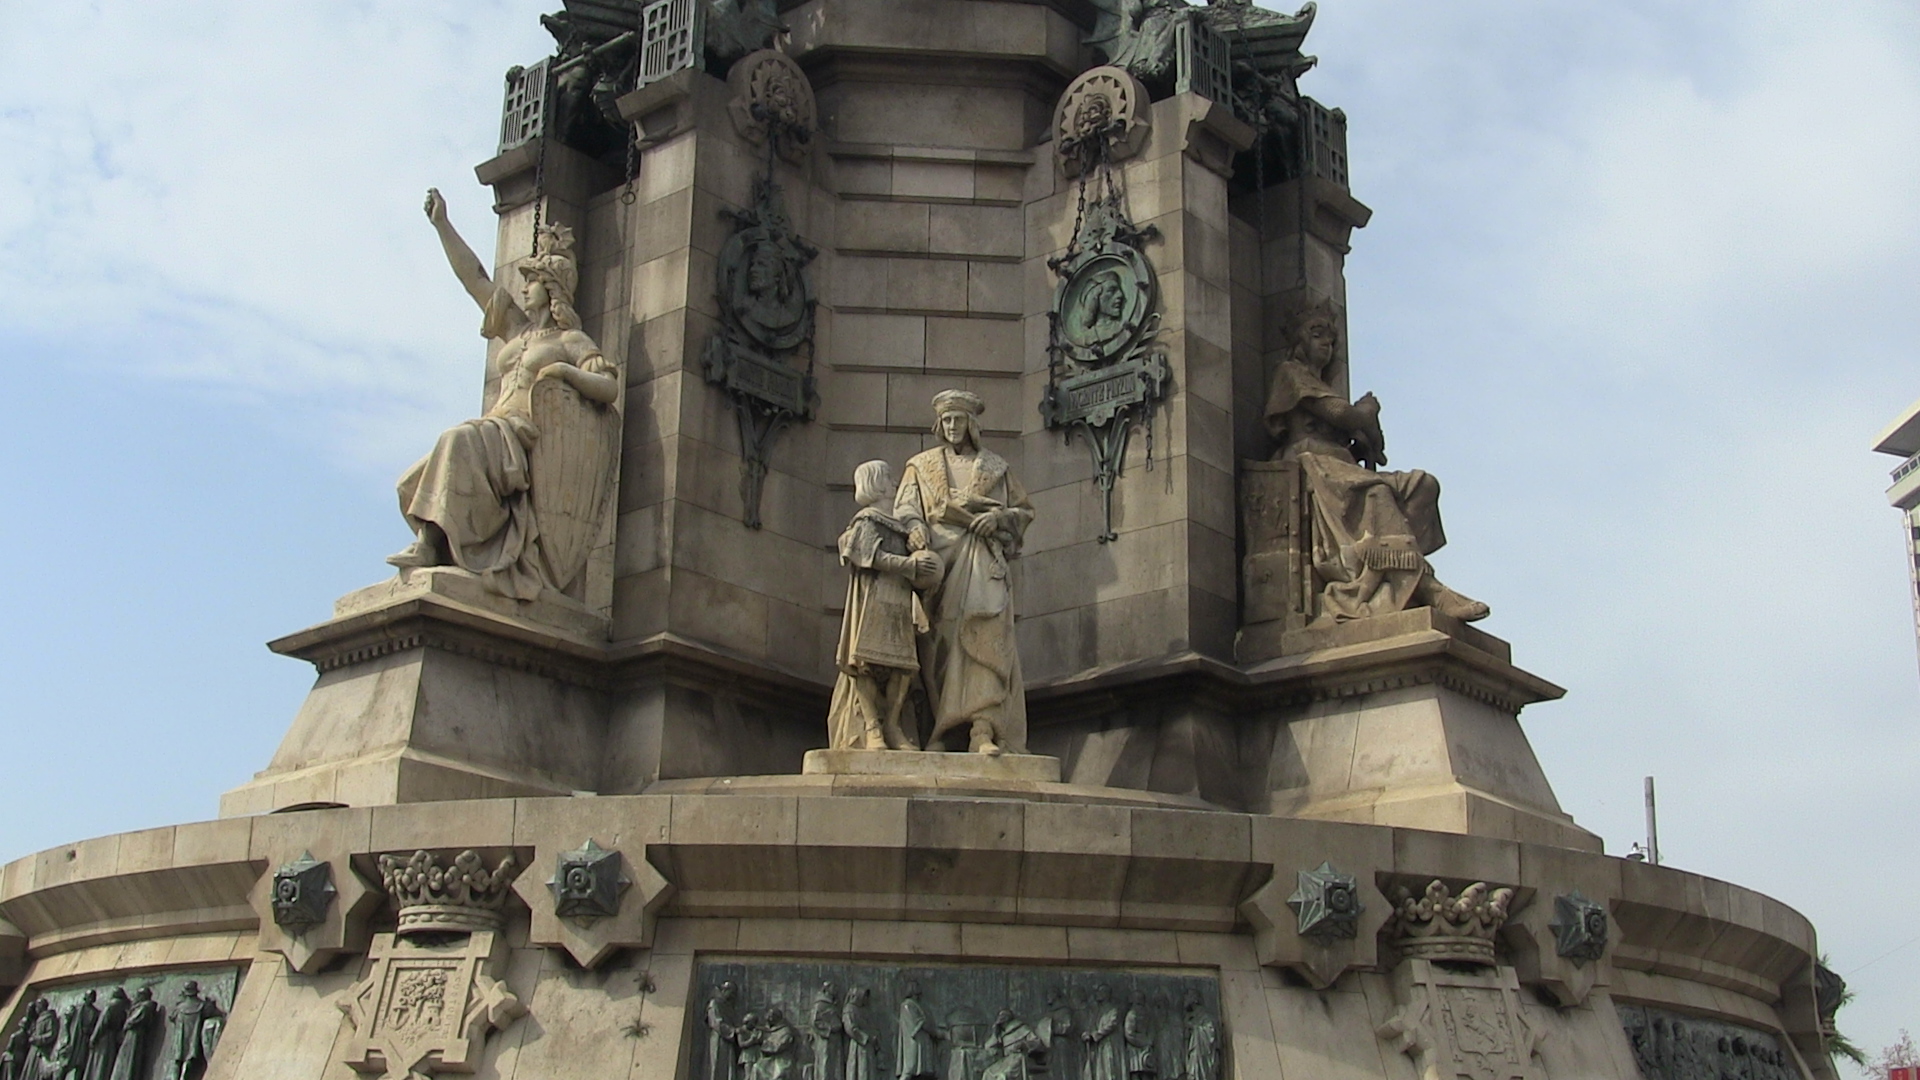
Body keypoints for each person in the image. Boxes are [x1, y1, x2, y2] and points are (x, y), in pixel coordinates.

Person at [387, 190, 621, 602]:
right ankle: (439, 544)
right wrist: (443, 225)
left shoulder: (571, 340)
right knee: (420, 473)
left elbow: (607, 387)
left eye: (531, 282)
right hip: (493, 430)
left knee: (455, 440)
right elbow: (474, 278)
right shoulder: (515, 329)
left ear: (551, 291)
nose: (524, 288)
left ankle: (429, 544)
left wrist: (565, 371)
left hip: (522, 435)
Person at [1261, 304, 1487, 625]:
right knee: (1376, 491)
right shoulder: (1291, 373)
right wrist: (1367, 411)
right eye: (1316, 335)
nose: (1326, 343)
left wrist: (1366, 434)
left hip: (1341, 465)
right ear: (1299, 340)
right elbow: (1343, 415)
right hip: (1312, 464)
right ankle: (1426, 588)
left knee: (1422, 484)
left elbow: (1357, 431)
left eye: (1331, 338)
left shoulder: (1322, 382)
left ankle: (1394, 582)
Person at [895, 391, 1035, 756]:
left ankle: (982, 730)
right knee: (940, 644)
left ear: (971, 424)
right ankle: (939, 729)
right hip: (940, 568)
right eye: (947, 421)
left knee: (987, 636)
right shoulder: (920, 466)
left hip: (984, 563)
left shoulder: (996, 467)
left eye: (959, 420)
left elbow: (1022, 512)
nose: (953, 427)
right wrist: (914, 528)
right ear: (938, 425)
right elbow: (906, 509)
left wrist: (998, 518)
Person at [828, 461, 943, 751]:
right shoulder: (867, 520)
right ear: (877, 484)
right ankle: (872, 727)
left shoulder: (899, 525)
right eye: (889, 477)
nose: (894, 482)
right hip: (872, 600)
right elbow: (869, 555)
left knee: (902, 667)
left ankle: (892, 725)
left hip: (899, 604)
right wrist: (909, 565)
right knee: (865, 664)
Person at [107, 989, 158, 1080]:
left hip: (134, 1036)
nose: (135, 997)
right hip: (131, 1035)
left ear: (143, 996)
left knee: (130, 1057)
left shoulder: (145, 1007)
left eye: (138, 995)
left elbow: (131, 1021)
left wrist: (125, 1026)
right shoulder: (140, 1006)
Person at [893, 982, 940, 1080]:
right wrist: (934, 1031)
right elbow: (918, 1022)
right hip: (913, 1041)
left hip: (923, 1040)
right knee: (911, 1066)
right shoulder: (907, 1005)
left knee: (923, 1069)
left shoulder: (919, 1005)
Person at [81, 990, 128, 1080]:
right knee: (106, 1064)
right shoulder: (123, 1009)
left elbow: (102, 1023)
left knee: (98, 1063)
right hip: (112, 1039)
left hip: (103, 1039)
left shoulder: (110, 1006)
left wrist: (94, 1038)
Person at [1082, 985, 1125, 1080]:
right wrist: (1087, 1033)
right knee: (1101, 1069)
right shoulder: (1097, 1011)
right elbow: (1092, 1024)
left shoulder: (1113, 1009)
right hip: (1100, 1045)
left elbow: (1112, 1024)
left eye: (1100, 992)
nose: (1097, 994)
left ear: (1106, 995)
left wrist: (1097, 1034)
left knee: (1110, 1067)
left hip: (1111, 1044)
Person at [841, 988, 878, 1080]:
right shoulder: (849, 1009)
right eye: (864, 996)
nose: (866, 999)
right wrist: (865, 1037)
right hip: (859, 1044)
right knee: (860, 1069)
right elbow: (850, 1028)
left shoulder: (864, 1010)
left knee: (869, 1070)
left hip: (869, 1045)